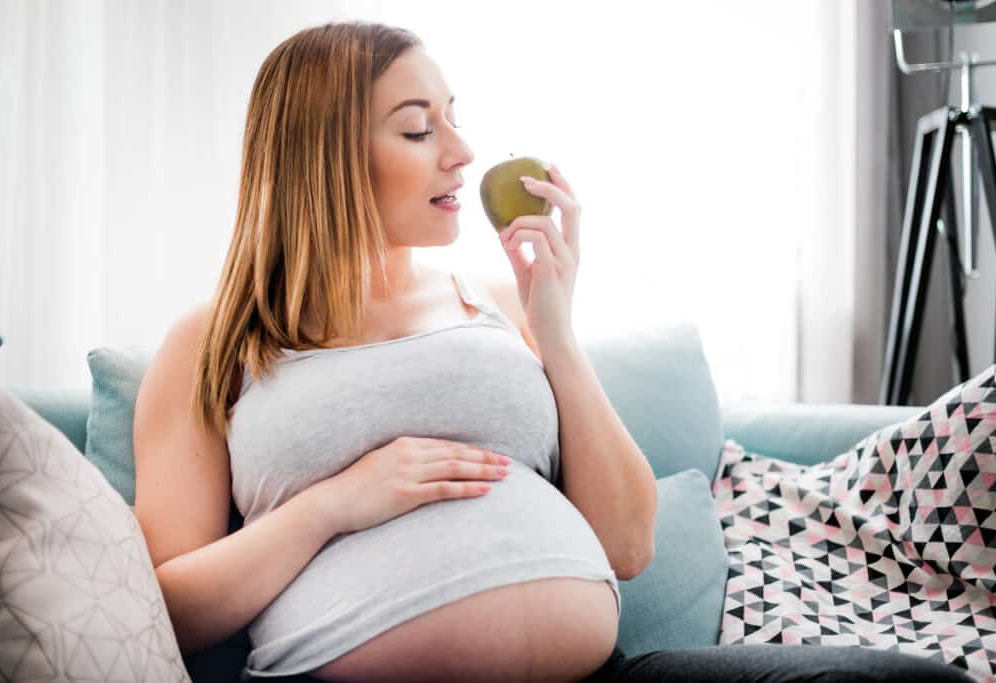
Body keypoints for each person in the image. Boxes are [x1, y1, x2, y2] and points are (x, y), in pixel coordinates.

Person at [132, 20, 975, 683]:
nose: (462, 152)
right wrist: (335, 503)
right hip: (337, 677)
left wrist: (555, 326)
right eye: (419, 128)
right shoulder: (214, 343)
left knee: (897, 680)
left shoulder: (497, 301)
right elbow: (163, 606)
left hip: (598, 674)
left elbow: (629, 542)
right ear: (322, 155)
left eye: (455, 118)